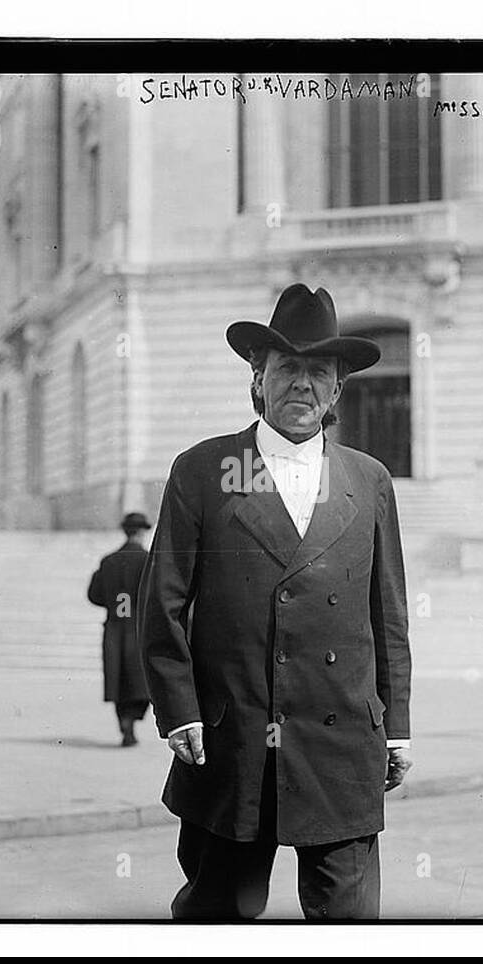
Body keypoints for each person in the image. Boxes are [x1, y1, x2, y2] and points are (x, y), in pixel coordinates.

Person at [138, 283, 413, 920]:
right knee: (219, 911)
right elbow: (163, 604)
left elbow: (388, 616)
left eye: (319, 372)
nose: (303, 385)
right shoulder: (204, 470)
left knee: (347, 917)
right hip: (231, 739)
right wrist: (179, 712)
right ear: (258, 379)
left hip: (341, 740)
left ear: (339, 388)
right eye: (287, 368)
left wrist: (395, 723)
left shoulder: (368, 480)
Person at [87, 511, 154, 746]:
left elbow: (93, 595)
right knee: (141, 678)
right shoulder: (148, 560)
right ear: (143, 532)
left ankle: (125, 722)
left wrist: (112, 601)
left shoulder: (109, 561)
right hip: (139, 628)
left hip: (115, 627)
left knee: (118, 677)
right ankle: (133, 718)